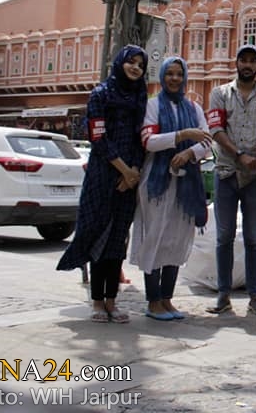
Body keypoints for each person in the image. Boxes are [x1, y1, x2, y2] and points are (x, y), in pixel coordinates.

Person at [57, 45, 148, 324]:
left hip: (129, 176)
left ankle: (112, 301)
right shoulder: (101, 94)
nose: (134, 68)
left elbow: (141, 137)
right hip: (103, 175)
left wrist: (133, 172)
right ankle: (97, 301)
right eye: (130, 62)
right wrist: (122, 170)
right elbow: (98, 137)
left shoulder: (140, 96)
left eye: (140, 64)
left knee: (118, 238)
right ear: (119, 63)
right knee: (99, 233)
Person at [131, 57, 211, 321]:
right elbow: (149, 141)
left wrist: (188, 152)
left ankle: (167, 299)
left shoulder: (194, 107)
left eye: (179, 74)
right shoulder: (153, 106)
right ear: (163, 76)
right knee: (156, 237)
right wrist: (181, 136)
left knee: (177, 240)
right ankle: (153, 301)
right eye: (170, 74)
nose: (175, 79)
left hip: (186, 183)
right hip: (158, 182)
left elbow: (207, 141)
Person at [205, 45, 256, 315]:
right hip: (226, 172)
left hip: (255, 178)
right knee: (223, 236)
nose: (247, 65)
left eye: (252, 61)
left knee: (253, 238)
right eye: (243, 60)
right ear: (236, 63)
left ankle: (255, 296)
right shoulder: (220, 93)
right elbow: (216, 129)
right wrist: (239, 155)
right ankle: (223, 295)